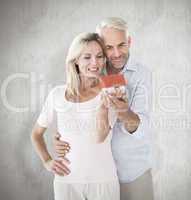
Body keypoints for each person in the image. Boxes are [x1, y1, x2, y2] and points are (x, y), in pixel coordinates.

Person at [54, 17, 154, 200]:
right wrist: (62, 137)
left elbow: (143, 128)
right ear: (100, 46)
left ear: (129, 42)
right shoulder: (92, 68)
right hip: (95, 174)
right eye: (108, 48)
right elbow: (73, 111)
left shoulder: (141, 74)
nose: (116, 54)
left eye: (122, 45)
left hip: (131, 172)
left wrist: (124, 112)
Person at [31, 32, 120, 200]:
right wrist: (47, 161)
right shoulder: (57, 94)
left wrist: (103, 104)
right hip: (67, 181)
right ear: (75, 61)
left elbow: (100, 136)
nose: (95, 63)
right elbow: (36, 134)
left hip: (103, 179)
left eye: (100, 57)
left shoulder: (112, 88)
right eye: (87, 57)